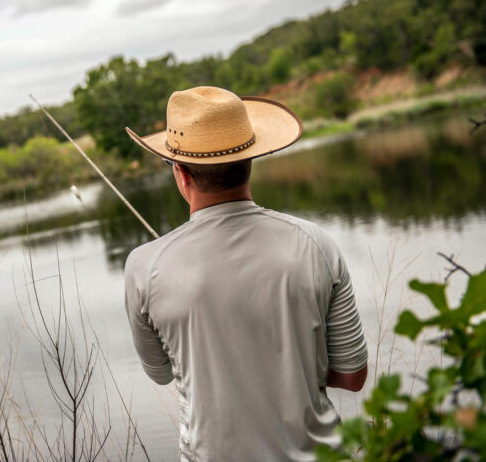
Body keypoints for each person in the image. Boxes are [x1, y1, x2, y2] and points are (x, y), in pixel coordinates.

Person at [123, 86, 368, 461]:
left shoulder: (143, 267)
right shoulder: (316, 244)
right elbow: (353, 377)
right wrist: (296, 369)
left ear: (182, 174)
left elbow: (161, 373)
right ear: (249, 160)